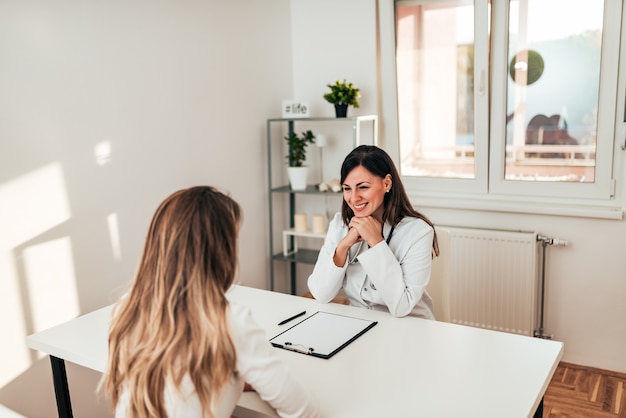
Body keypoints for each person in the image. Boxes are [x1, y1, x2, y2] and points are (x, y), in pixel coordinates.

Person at [103, 186, 319, 418]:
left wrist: (231, 379)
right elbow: (302, 411)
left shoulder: (126, 308)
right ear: (220, 252)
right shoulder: (229, 321)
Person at [307, 145, 439, 319]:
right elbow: (321, 294)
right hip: (363, 325)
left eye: (363, 187)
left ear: (387, 183)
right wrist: (343, 247)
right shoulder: (340, 224)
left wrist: (376, 242)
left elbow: (402, 306)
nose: (353, 198)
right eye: (347, 188)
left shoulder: (418, 232)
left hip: (411, 327)